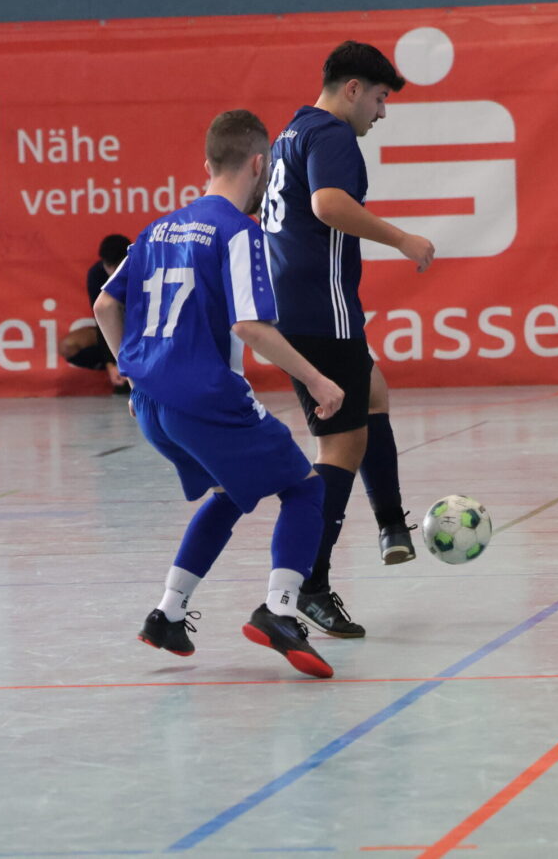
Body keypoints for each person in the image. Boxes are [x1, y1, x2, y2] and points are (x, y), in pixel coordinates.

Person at [93, 109, 345, 679]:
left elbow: (106, 304)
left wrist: (133, 374)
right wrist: (316, 379)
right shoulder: (238, 231)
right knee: (306, 489)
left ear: (207, 165)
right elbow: (250, 327)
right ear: (260, 165)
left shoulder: (157, 229)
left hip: (153, 407)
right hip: (206, 398)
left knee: (231, 493)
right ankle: (280, 610)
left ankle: (168, 613)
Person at [262, 40, 436, 638]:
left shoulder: (291, 133)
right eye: (380, 99)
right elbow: (328, 204)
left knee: (374, 393)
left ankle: (390, 524)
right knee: (340, 447)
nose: (381, 113)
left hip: (297, 307)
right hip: (321, 310)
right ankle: (307, 584)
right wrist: (402, 239)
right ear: (353, 89)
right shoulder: (332, 133)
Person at [60, 233, 132, 393]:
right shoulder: (97, 274)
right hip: (113, 331)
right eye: (109, 266)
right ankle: (119, 370)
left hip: (139, 334)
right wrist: (110, 363)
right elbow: (103, 321)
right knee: (68, 346)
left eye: (117, 266)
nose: (113, 272)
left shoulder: (143, 272)